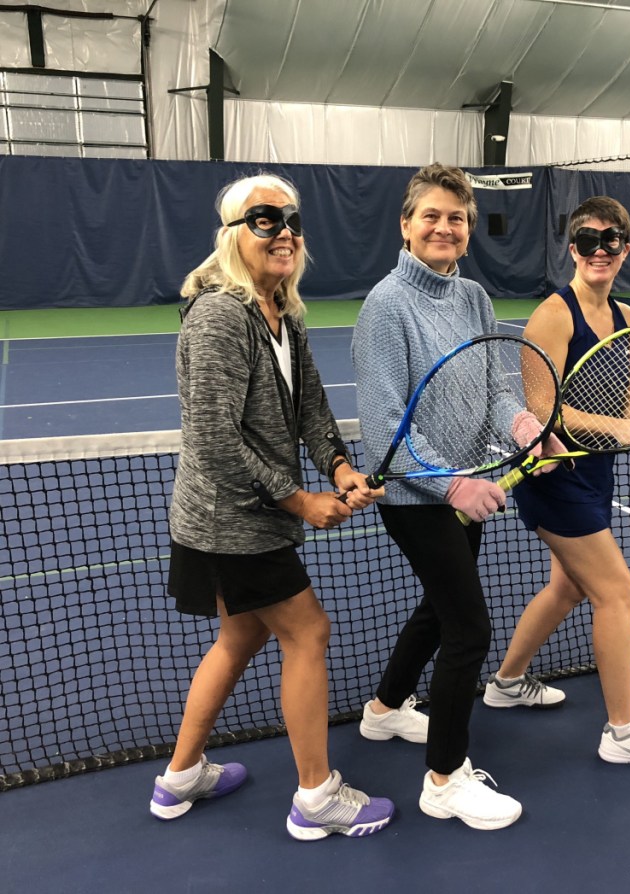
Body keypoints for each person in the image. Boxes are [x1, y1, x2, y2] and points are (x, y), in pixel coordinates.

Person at [150, 173, 395, 840]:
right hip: (231, 522)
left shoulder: (281, 312)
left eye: (290, 219)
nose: (284, 230)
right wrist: (300, 500)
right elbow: (214, 439)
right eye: (264, 219)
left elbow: (310, 408)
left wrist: (339, 467)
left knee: (242, 634)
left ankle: (179, 778)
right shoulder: (222, 315)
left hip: (248, 518)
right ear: (234, 236)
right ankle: (316, 796)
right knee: (307, 631)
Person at [352, 163, 564, 830]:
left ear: (469, 232)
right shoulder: (386, 306)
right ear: (407, 226)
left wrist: (525, 424)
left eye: (457, 218)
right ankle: (444, 780)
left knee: (442, 611)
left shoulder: (472, 298)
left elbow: (495, 388)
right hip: (418, 501)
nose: (445, 227)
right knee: (469, 629)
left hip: (466, 488)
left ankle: (385, 711)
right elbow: (386, 429)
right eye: (433, 216)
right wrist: (453, 483)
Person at [482, 196, 630, 770]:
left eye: (612, 241)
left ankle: (506, 681)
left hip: (597, 471)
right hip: (553, 473)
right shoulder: (553, 315)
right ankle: (622, 732)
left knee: (569, 588)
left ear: (626, 249)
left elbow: (629, 400)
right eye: (588, 240)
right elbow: (542, 412)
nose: (599, 251)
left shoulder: (625, 319)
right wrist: (622, 425)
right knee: (615, 590)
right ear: (571, 248)